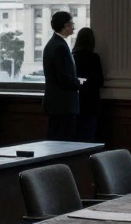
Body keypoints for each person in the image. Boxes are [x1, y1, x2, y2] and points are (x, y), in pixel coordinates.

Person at [42, 11, 83, 141]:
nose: (74, 27)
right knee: (63, 141)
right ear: (65, 26)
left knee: (56, 139)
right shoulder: (60, 46)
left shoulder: (52, 44)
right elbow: (63, 77)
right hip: (63, 104)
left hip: (56, 103)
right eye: (72, 24)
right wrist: (80, 82)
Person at [73, 27, 104, 142]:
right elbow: (100, 82)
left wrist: (81, 81)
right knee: (88, 139)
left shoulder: (72, 57)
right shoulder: (94, 58)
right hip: (91, 104)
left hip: (76, 103)